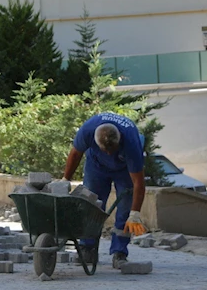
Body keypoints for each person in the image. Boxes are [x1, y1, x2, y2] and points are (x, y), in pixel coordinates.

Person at [63, 112, 148, 269]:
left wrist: (135, 212)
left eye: (112, 149)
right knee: (91, 205)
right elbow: (75, 154)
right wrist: (65, 180)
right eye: (105, 150)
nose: (109, 153)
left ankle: (119, 252)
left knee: (124, 210)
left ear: (119, 141)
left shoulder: (131, 143)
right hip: (96, 167)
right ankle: (87, 248)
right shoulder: (87, 131)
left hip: (124, 171)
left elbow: (138, 183)